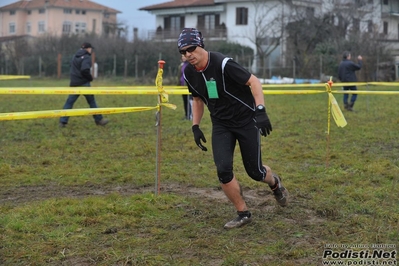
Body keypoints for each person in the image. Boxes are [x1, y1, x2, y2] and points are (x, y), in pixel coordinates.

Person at [178, 28, 288, 229]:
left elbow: (253, 81)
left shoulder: (222, 64)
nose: (187, 55)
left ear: (201, 45)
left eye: (191, 49)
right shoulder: (188, 72)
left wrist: (261, 110)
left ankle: (274, 183)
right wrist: (195, 126)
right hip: (221, 124)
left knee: (255, 172)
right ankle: (243, 213)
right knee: (223, 170)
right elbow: (196, 99)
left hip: (246, 120)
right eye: (183, 52)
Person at [59, 42, 108, 127]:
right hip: (83, 83)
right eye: (90, 48)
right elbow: (85, 70)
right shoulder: (86, 57)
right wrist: (90, 78)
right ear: (87, 48)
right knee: (92, 101)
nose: (91, 50)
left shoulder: (74, 56)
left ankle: (63, 121)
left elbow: (72, 68)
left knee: (69, 102)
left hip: (74, 83)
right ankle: (99, 120)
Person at [178, 54, 193, 120]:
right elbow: (180, 76)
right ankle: (186, 115)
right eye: (182, 56)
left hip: (189, 87)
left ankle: (190, 116)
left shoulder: (191, 65)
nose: (183, 57)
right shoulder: (181, 65)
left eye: (184, 56)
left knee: (189, 101)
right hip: (182, 86)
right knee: (185, 101)